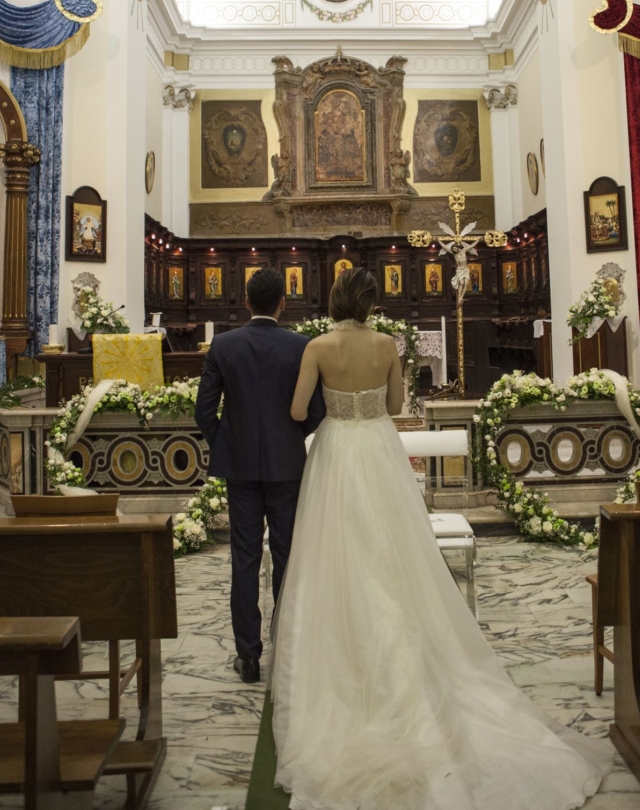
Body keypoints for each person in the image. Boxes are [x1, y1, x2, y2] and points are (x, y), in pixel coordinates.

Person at [270, 267, 611, 810]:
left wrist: (332, 408)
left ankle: (345, 652)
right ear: (372, 302)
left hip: (336, 452)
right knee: (391, 554)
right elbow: (396, 406)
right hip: (378, 451)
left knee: (336, 553)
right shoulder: (387, 344)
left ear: (334, 300)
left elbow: (295, 410)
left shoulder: (317, 346)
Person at [194, 268, 326, 684]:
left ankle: (248, 656)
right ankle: (285, 649)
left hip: (240, 469)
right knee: (287, 556)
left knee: (245, 559)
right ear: (282, 303)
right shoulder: (301, 346)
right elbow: (317, 411)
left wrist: (227, 441)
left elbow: (203, 411)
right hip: (286, 467)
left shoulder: (224, 344)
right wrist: (291, 437)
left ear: (246, 301)